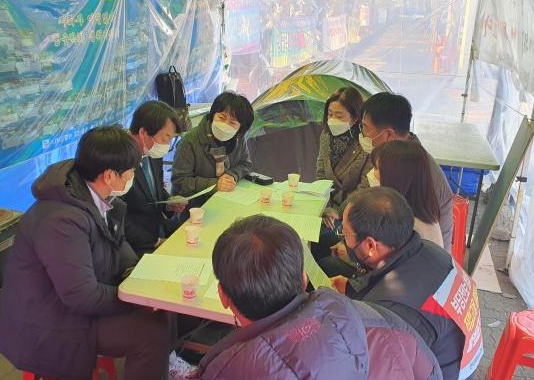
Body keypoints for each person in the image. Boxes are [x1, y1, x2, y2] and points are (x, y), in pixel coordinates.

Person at [0, 126, 171, 380]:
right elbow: (82, 296)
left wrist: (136, 275)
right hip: (49, 323)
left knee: (162, 312)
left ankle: (162, 366)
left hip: (73, 308)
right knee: (150, 332)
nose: (133, 176)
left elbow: (118, 245)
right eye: (131, 172)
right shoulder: (61, 220)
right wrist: (134, 297)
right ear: (109, 175)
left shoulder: (98, 199)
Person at [195, 215, 443, 380]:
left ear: (223, 297)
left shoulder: (225, 371)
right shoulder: (377, 319)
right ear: (304, 279)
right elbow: (430, 371)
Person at [338, 187, 482, 380]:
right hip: (455, 358)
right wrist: (352, 289)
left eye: (345, 234)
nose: (343, 239)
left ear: (370, 246)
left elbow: (385, 369)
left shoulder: (394, 311)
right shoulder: (430, 251)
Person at [328, 92, 454, 252]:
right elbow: (367, 195)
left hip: (416, 255)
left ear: (388, 134)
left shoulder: (413, 168)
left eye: (365, 128)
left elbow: (397, 239)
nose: (362, 135)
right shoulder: (392, 155)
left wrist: (355, 253)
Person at [122, 101, 187, 255]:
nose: (167, 145)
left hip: (159, 229)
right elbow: (118, 219)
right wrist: (155, 242)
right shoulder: (119, 159)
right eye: (165, 138)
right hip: (135, 245)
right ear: (143, 133)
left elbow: (155, 190)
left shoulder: (151, 151)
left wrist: (168, 204)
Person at [171, 91, 254, 206]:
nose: (225, 125)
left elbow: (245, 164)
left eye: (232, 123)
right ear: (213, 115)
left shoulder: (238, 138)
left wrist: (232, 175)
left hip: (227, 199)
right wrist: (215, 185)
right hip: (195, 205)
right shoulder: (190, 141)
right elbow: (179, 181)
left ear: (240, 129)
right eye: (221, 117)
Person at [369, 140, 443, 247]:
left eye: (376, 168)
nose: (373, 174)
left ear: (394, 176)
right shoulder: (423, 212)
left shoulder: (406, 227)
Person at [316, 87, 371, 214]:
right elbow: (321, 174)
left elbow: (365, 187)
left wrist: (339, 212)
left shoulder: (366, 143)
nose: (332, 120)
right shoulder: (325, 136)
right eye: (330, 114)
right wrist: (326, 207)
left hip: (355, 210)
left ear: (355, 118)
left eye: (339, 116)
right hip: (327, 207)